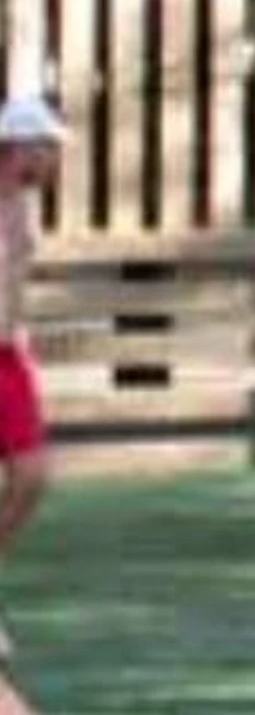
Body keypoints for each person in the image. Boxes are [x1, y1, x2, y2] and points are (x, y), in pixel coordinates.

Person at [0, 98, 66, 662]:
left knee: (33, 476)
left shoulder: (24, 207)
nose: (54, 159)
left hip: (7, 356)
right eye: (48, 148)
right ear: (19, 147)